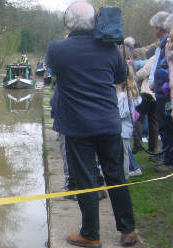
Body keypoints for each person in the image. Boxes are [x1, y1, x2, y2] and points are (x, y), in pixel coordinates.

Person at [46, 1, 137, 247]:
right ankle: (128, 231)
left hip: (77, 127)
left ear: (68, 22)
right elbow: (120, 77)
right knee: (116, 176)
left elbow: (52, 75)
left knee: (86, 180)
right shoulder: (109, 50)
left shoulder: (56, 49)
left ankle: (90, 234)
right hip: (108, 123)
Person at [149, 11, 173, 171]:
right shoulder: (162, 44)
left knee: (166, 127)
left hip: (165, 93)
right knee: (164, 126)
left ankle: (169, 160)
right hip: (163, 90)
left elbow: (165, 68)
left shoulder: (167, 44)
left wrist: (158, 80)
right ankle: (166, 155)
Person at [117, 64, 143, 179]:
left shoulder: (125, 94)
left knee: (123, 154)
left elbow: (123, 113)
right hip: (121, 127)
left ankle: (124, 176)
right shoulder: (124, 93)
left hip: (123, 128)